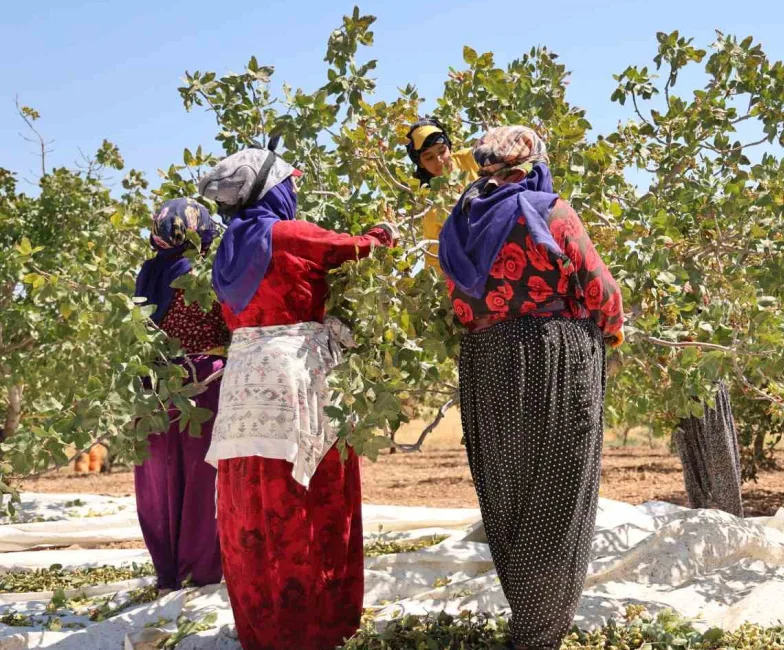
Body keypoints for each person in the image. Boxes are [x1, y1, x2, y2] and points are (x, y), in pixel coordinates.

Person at [197, 148, 396, 650]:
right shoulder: (287, 234)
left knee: (254, 500)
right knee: (310, 499)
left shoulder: (228, 249)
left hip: (243, 386)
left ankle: (264, 628)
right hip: (295, 382)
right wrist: (383, 231)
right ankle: (317, 628)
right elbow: (363, 249)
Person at [438, 126, 624, 650]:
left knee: (508, 493)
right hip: (553, 358)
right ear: (535, 161)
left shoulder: (460, 223)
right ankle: (539, 632)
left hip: (486, 363)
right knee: (560, 492)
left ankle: (530, 616)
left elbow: (460, 301)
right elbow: (600, 288)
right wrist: (610, 329)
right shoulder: (548, 211)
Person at [132, 198, 227, 592]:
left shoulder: (148, 273)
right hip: (203, 385)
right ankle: (201, 571)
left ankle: (169, 572)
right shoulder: (204, 273)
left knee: (161, 482)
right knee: (203, 481)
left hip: (154, 389)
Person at [405, 117, 479, 271]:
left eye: (442, 151)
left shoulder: (472, 158)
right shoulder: (431, 205)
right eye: (429, 157)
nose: (439, 161)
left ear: (449, 147)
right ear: (420, 163)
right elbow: (433, 261)